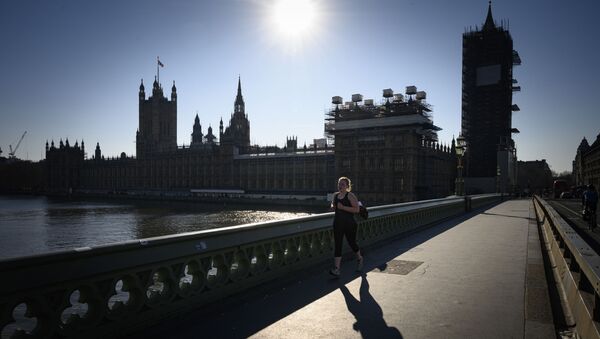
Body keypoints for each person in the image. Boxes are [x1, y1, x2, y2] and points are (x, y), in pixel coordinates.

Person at [329, 176, 363, 277]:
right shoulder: (335, 195)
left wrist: (343, 207)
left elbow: (357, 209)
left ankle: (360, 258)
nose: (340, 186)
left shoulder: (350, 196)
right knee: (338, 245)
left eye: (342, 184)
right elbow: (333, 206)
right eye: (339, 184)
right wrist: (333, 207)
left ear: (347, 186)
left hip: (350, 224)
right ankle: (337, 269)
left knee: (352, 243)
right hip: (338, 223)